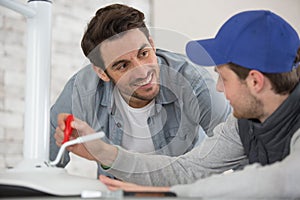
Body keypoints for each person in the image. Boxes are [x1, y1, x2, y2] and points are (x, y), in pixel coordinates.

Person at [55, 10, 300, 198]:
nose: (218, 88)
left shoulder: (194, 83)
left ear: (255, 81)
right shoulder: (242, 122)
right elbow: (189, 168)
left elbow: (285, 181)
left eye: (223, 78)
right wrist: (105, 152)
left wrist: (173, 193)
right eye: (122, 65)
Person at [50, 3, 231, 175]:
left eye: (143, 54)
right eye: (122, 65)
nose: (142, 72)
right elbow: (46, 163)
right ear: (102, 73)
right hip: (118, 191)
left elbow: (236, 146)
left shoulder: (192, 80)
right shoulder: (82, 89)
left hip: (184, 190)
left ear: (152, 45)